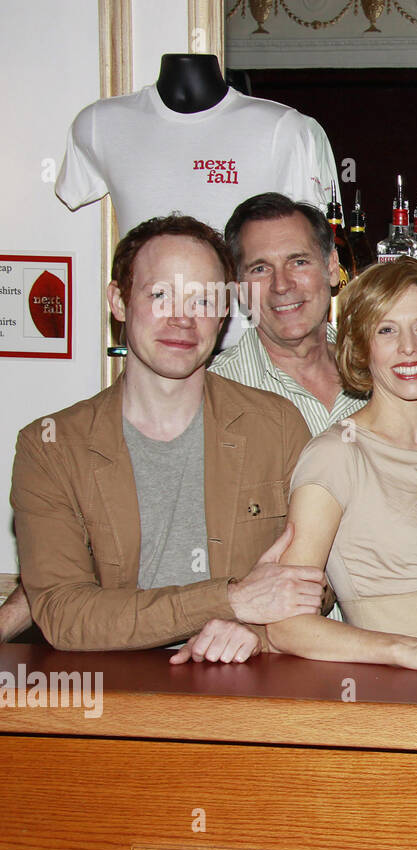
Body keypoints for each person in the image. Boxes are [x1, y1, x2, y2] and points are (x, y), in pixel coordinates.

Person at [10, 215, 323, 661]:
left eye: (201, 300)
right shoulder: (51, 447)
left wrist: (262, 636)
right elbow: (64, 614)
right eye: (160, 295)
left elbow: (319, 583)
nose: (181, 319)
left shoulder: (276, 425)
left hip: (249, 691)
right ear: (118, 301)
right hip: (111, 697)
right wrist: (231, 600)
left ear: (223, 313)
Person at [262, 258, 417, 674]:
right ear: (362, 346)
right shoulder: (337, 455)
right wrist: (409, 649)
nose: (409, 347)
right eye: (387, 330)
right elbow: (285, 625)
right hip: (401, 693)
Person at [211, 192, 417, 435]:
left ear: (331, 268)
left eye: (299, 262)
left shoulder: (410, 363)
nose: (282, 285)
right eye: (260, 269)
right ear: (240, 289)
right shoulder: (214, 392)